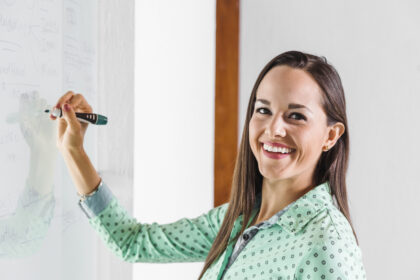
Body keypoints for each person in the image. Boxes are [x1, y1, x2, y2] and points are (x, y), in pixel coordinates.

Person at [52, 51, 367, 279]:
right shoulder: (237, 220)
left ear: (330, 135)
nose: (273, 129)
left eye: (296, 116)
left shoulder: (327, 245)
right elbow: (133, 242)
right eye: (263, 110)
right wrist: (74, 152)